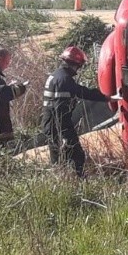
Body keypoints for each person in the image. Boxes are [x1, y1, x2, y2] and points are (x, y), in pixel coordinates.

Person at [42, 46, 108, 176]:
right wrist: (65, 134)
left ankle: (62, 181)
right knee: (76, 155)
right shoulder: (64, 80)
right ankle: (77, 180)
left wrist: (105, 97)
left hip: (51, 123)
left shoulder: (58, 75)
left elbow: (81, 91)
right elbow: (60, 109)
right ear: (77, 64)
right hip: (59, 124)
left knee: (58, 158)